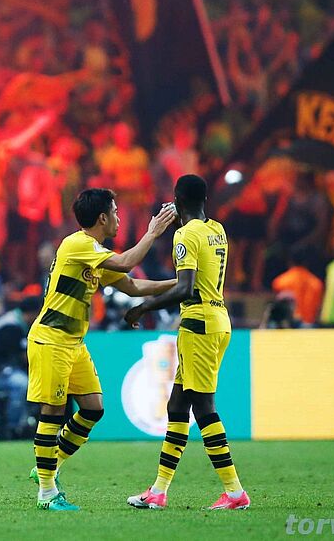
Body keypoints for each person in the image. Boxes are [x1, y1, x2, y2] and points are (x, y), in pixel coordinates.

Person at [27, 189, 177, 511]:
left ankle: (48, 464)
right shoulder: (78, 244)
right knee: (53, 412)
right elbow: (126, 262)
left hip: (74, 343)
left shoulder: (95, 254)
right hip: (51, 339)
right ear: (103, 218)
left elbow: (132, 286)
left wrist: (180, 283)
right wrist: (152, 232)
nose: (119, 218)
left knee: (93, 408)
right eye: (116, 212)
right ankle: (47, 492)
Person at [124, 174, 250, 511]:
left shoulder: (185, 235)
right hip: (217, 319)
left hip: (199, 325)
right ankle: (158, 491)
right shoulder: (217, 230)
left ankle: (235, 492)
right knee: (177, 407)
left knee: (204, 408)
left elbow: (186, 288)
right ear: (204, 200)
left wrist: (143, 307)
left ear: (177, 201)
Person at [0, 295, 41, 438]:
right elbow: (24, 357)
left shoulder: (17, 323)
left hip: (6, 369)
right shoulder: (11, 325)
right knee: (21, 384)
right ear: (32, 313)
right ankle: (13, 428)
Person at [270, 248, 323, 326]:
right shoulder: (316, 283)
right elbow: (318, 310)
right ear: (306, 262)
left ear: (290, 261)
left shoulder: (280, 282)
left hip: (288, 326)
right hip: (309, 327)